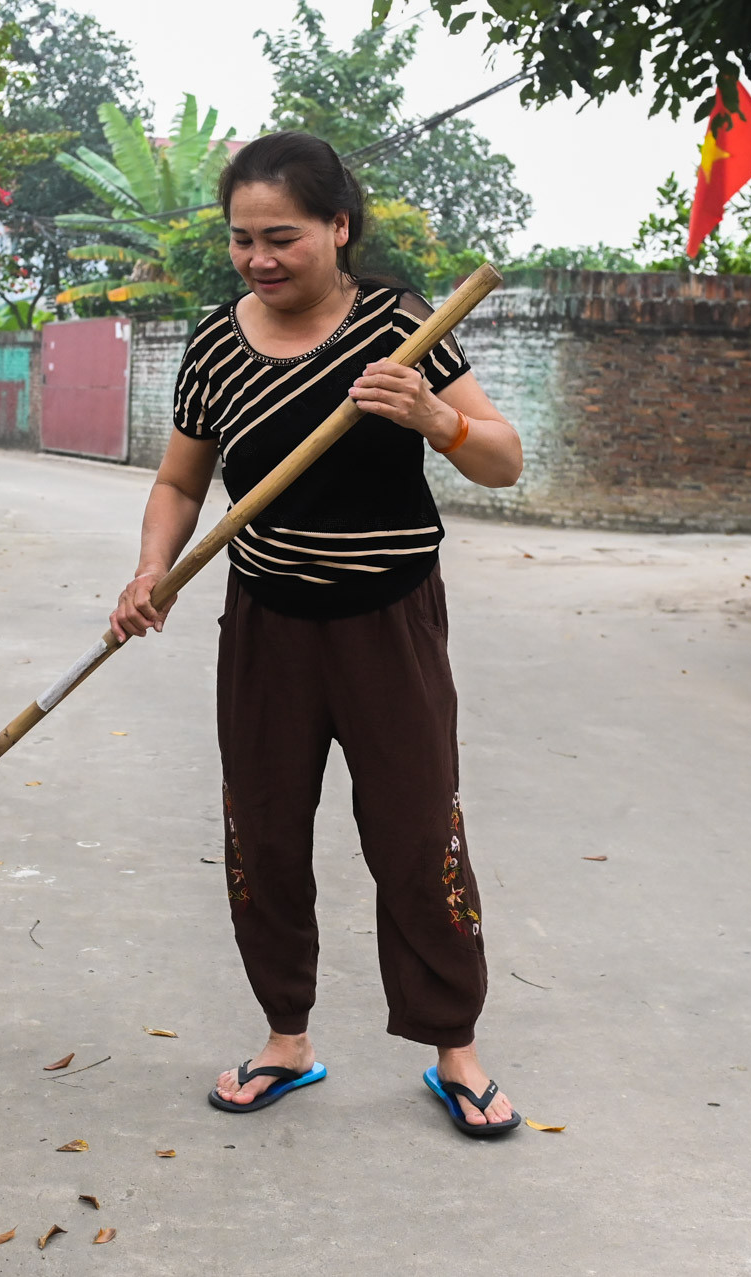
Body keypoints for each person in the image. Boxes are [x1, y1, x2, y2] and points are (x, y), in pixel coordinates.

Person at [108, 131, 525, 1137]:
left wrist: (433, 417)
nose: (259, 258)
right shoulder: (215, 343)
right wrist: (150, 566)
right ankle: (285, 1035)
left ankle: (454, 1047)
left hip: (390, 623)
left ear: (339, 228)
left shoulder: (400, 324)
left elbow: (503, 460)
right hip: (267, 623)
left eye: (282, 237)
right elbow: (179, 480)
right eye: (243, 238)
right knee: (264, 828)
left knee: (418, 831)